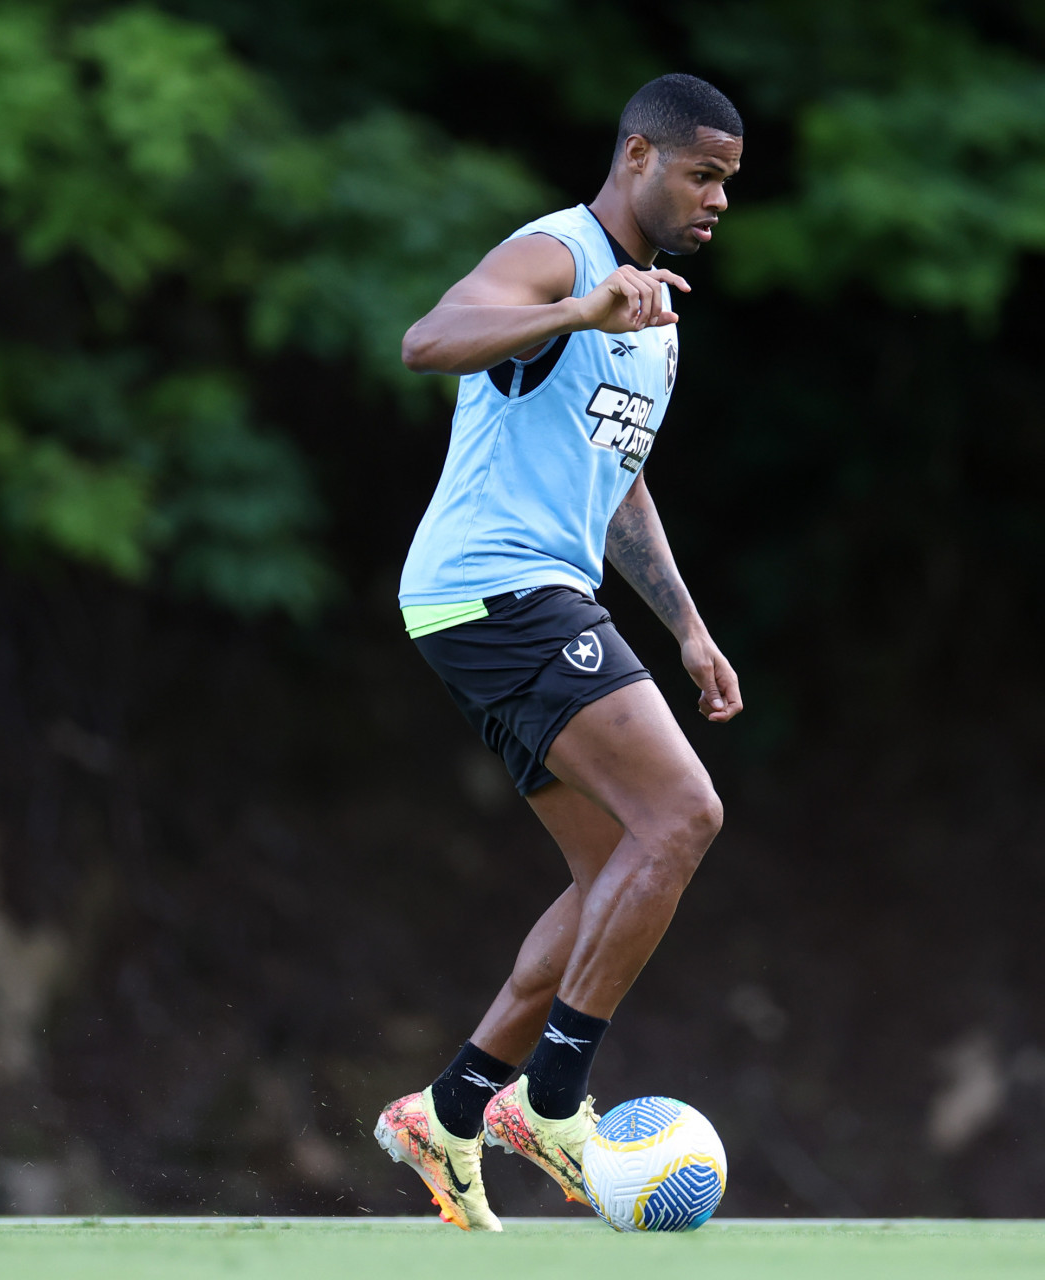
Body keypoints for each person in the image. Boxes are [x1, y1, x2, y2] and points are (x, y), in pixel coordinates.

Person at [372, 73, 746, 1231]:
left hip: (518, 599)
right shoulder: (560, 254)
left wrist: (684, 624)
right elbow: (429, 338)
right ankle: (558, 1100)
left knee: (613, 872)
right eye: (701, 173)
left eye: (729, 181)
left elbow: (617, 478)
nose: (717, 197)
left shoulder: (659, 317)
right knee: (684, 815)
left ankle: (453, 1106)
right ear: (637, 156)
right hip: (497, 588)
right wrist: (577, 312)